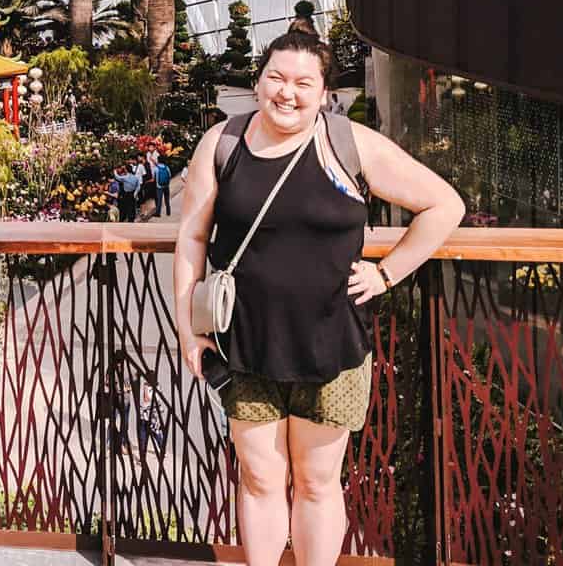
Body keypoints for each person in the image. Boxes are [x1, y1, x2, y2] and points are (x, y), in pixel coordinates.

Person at [173, 29, 463, 566]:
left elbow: (444, 205)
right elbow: (191, 235)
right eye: (276, 78)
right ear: (257, 81)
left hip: (333, 347)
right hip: (245, 346)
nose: (287, 93)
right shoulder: (224, 143)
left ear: (324, 92)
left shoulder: (348, 144)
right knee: (258, 477)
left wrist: (388, 273)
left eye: (303, 83)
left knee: (316, 482)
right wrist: (188, 326)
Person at [153, 150, 173, 217]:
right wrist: (167, 183)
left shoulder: (156, 168)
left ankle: (158, 213)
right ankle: (168, 212)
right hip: (166, 186)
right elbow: (170, 175)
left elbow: (154, 177)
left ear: (158, 160)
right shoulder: (166, 167)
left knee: (159, 200)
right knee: (167, 199)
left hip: (159, 186)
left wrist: (157, 184)